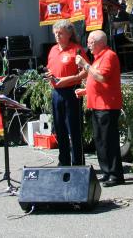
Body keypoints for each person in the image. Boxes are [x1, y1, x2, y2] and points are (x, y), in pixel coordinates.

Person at [75, 30, 124, 186]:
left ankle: (115, 175)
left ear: (101, 42)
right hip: (97, 105)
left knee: (109, 141)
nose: (88, 45)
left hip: (107, 105)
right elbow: (98, 82)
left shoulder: (109, 56)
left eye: (91, 42)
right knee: (100, 141)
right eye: (88, 42)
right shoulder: (97, 58)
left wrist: (85, 65)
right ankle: (106, 172)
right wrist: (86, 91)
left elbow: (102, 77)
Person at [46, 19, 88, 166]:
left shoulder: (76, 49)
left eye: (60, 33)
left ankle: (78, 163)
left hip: (71, 92)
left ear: (69, 34)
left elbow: (85, 71)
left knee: (74, 129)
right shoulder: (53, 50)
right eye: (55, 33)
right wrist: (49, 75)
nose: (57, 36)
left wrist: (68, 79)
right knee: (59, 128)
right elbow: (50, 68)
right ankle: (63, 161)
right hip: (56, 92)